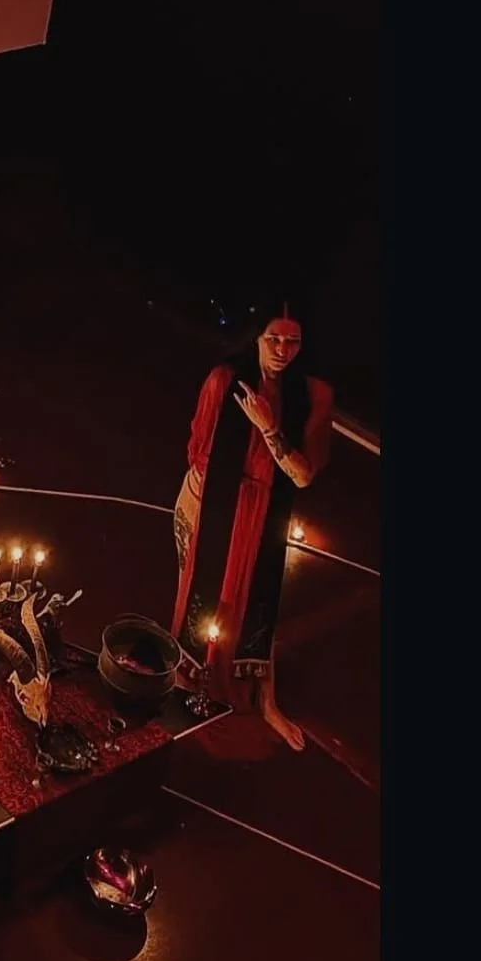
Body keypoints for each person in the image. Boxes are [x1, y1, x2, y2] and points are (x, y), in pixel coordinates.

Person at [171, 300, 333, 750]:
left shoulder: (313, 395)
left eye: (292, 341)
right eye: (272, 338)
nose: (282, 350)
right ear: (256, 337)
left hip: (264, 512)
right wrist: (193, 511)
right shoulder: (223, 381)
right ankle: (188, 679)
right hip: (213, 504)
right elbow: (198, 451)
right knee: (201, 595)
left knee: (256, 602)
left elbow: (302, 475)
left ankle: (263, 699)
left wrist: (268, 425)